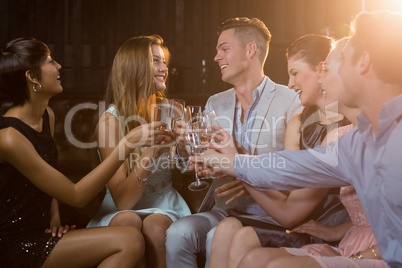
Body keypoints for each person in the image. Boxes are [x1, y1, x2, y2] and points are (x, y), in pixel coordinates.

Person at [193, 10, 402, 267]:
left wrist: (355, 255)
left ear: (363, 62)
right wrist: (231, 162)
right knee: (253, 258)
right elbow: (293, 166)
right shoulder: (356, 142)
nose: (323, 75)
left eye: (333, 64)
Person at [0, 37, 168, 268]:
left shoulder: (46, 115)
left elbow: (46, 175)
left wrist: (55, 215)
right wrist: (127, 144)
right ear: (32, 77)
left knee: (130, 240)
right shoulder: (9, 137)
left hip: (44, 230)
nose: (58, 66)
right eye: (50, 61)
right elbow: (77, 196)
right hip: (14, 243)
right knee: (129, 241)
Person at [165, 17, 303, 268]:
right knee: (177, 233)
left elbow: (293, 168)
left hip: (271, 211)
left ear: (251, 50)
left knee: (213, 238)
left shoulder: (291, 99)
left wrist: (242, 170)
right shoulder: (214, 103)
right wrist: (187, 149)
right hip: (224, 209)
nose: (216, 57)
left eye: (224, 49)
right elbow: (197, 163)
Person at [208, 34, 352, 268]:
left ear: (321, 70)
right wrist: (239, 162)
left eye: (295, 73)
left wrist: (238, 166)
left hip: (319, 225)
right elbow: (286, 189)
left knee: (243, 237)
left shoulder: (345, 130)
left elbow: (289, 213)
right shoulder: (297, 123)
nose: (289, 83)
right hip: (295, 218)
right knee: (225, 229)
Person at [86, 35, 191, 268]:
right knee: (127, 220)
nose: (164, 68)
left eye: (164, 62)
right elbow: (123, 201)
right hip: (121, 207)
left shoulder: (174, 110)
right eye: (156, 61)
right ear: (134, 68)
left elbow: (186, 168)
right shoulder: (109, 122)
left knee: (154, 227)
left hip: (165, 203)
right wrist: (150, 153)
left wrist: (184, 151)